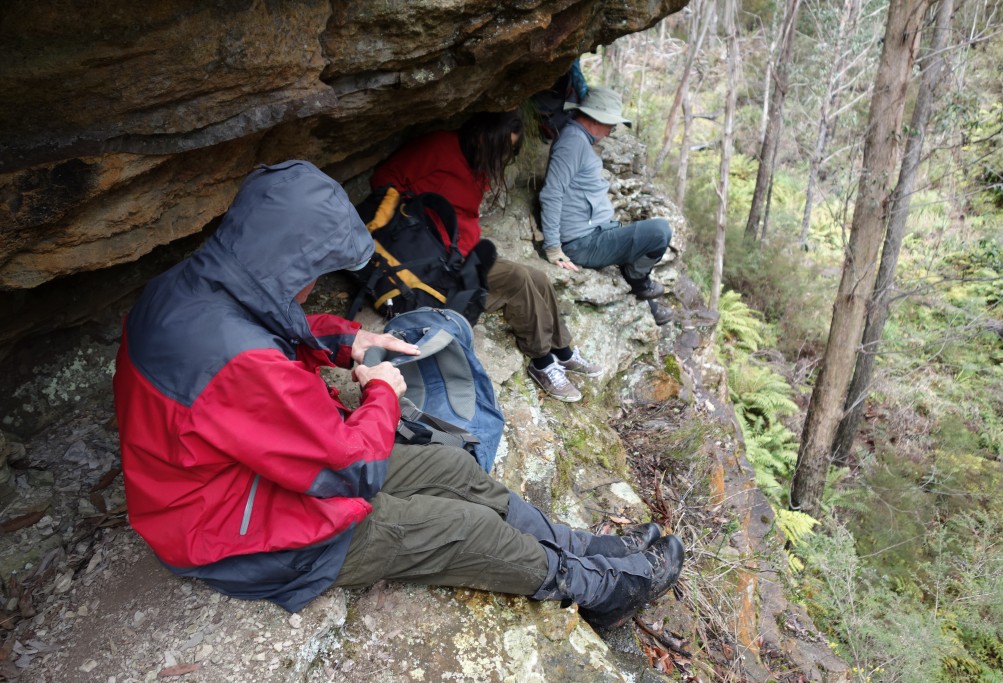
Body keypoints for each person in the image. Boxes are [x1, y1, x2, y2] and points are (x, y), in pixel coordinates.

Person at [113, 160, 685, 628]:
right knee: (467, 530)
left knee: (451, 470)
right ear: (286, 257)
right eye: (315, 269)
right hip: (240, 534)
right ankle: (603, 590)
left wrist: (347, 339)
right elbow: (351, 466)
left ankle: (580, 547)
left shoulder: (189, 289)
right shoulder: (239, 362)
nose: (314, 283)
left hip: (233, 480)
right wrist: (382, 391)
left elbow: (267, 323)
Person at [371, 112, 600, 403]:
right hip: (431, 268)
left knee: (538, 277)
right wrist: (414, 225)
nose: (503, 156)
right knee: (518, 281)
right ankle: (542, 362)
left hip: (463, 258)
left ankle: (563, 351)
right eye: (501, 147)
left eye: (510, 150)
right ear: (481, 136)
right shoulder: (439, 148)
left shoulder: (478, 163)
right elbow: (383, 180)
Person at [539, 86, 674, 326]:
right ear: (595, 119)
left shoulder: (579, 139)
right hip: (582, 242)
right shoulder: (572, 142)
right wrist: (552, 248)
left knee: (639, 236)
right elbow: (552, 192)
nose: (612, 131)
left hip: (597, 232)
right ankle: (639, 281)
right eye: (611, 124)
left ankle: (648, 302)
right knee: (659, 232)